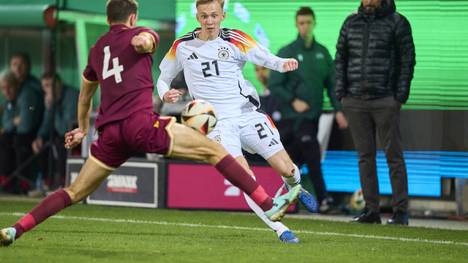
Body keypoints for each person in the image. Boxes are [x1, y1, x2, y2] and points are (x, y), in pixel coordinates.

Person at [0, 0, 300, 247]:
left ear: (107, 19)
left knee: (74, 192)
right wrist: (143, 41)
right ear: (133, 17)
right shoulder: (143, 33)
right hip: (142, 126)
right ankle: (266, 201)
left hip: (110, 135)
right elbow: (146, 42)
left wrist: (81, 128)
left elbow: (84, 96)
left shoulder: (97, 50)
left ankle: (16, 229)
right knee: (213, 150)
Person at [157, 0, 316, 244]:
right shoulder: (182, 46)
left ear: (223, 15)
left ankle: (295, 186)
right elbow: (163, 78)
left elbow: (267, 59)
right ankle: (280, 229)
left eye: (213, 15)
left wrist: (284, 64)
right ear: (197, 17)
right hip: (215, 124)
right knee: (244, 176)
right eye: (204, 16)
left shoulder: (236, 39)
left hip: (246, 114)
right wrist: (164, 93)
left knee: (288, 168)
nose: (209, 21)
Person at [335, 0, 415, 225]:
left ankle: (401, 212)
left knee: (394, 156)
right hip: (354, 100)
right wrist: (342, 93)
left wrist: (399, 97)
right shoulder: (351, 22)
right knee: (365, 157)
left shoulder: (398, 22)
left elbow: (407, 61)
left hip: (385, 100)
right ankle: (372, 211)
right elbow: (340, 58)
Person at [269, 6, 348, 213]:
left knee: (295, 160)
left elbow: (332, 85)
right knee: (312, 155)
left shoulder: (322, 52)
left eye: (308, 23)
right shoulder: (287, 52)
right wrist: (293, 100)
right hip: (291, 119)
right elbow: (275, 84)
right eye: (301, 23)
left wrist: (338, 110)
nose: (305, 27)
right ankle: (323, 199)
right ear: (297, 24)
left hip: (313, 118)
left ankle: (280, 199)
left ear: (314, 23)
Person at [31, 73, 79, 191]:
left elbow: (65, 128)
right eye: (44, 86)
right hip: (61, 134)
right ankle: (45, 182)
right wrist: (40, 137)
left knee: (59, 143)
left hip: (78, 134)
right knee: (41, 144)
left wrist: (53, 106)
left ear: (59, 84)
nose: (47, 89)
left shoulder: (71, 96)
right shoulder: (50, 98)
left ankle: (63, 182)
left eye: (49, 85)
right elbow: (47, 122)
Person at [0, 70, 43, 194]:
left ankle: (23, 182)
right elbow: (6, 122)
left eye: (9, 87)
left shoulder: (27, 95)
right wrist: (14, 122)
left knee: (19, 140)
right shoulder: (8, 100)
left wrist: (11, 124)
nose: (6, 91)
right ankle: (6, 180)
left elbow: (25, 125)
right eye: (3, 88)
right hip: (18, 134)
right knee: (4, 138)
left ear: (17, 85)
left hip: (35, 133)